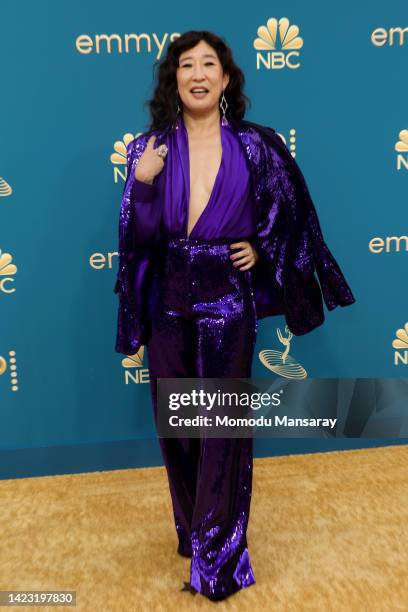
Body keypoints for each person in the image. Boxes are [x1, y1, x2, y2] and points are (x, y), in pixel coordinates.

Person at [114, 31, 355, 601]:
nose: (197, 73)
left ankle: (220, 558)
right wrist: (142, 184)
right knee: (179, 426)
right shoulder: (149, 149)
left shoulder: (258, 146)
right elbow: (137, 240)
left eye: (209, 64)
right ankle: (195, 528)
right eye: (186, 65)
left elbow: (292, 218)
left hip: (227, 299)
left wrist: (262, 253)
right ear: (173, 79)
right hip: (168, 297)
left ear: (226, 78)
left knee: (222, 429)